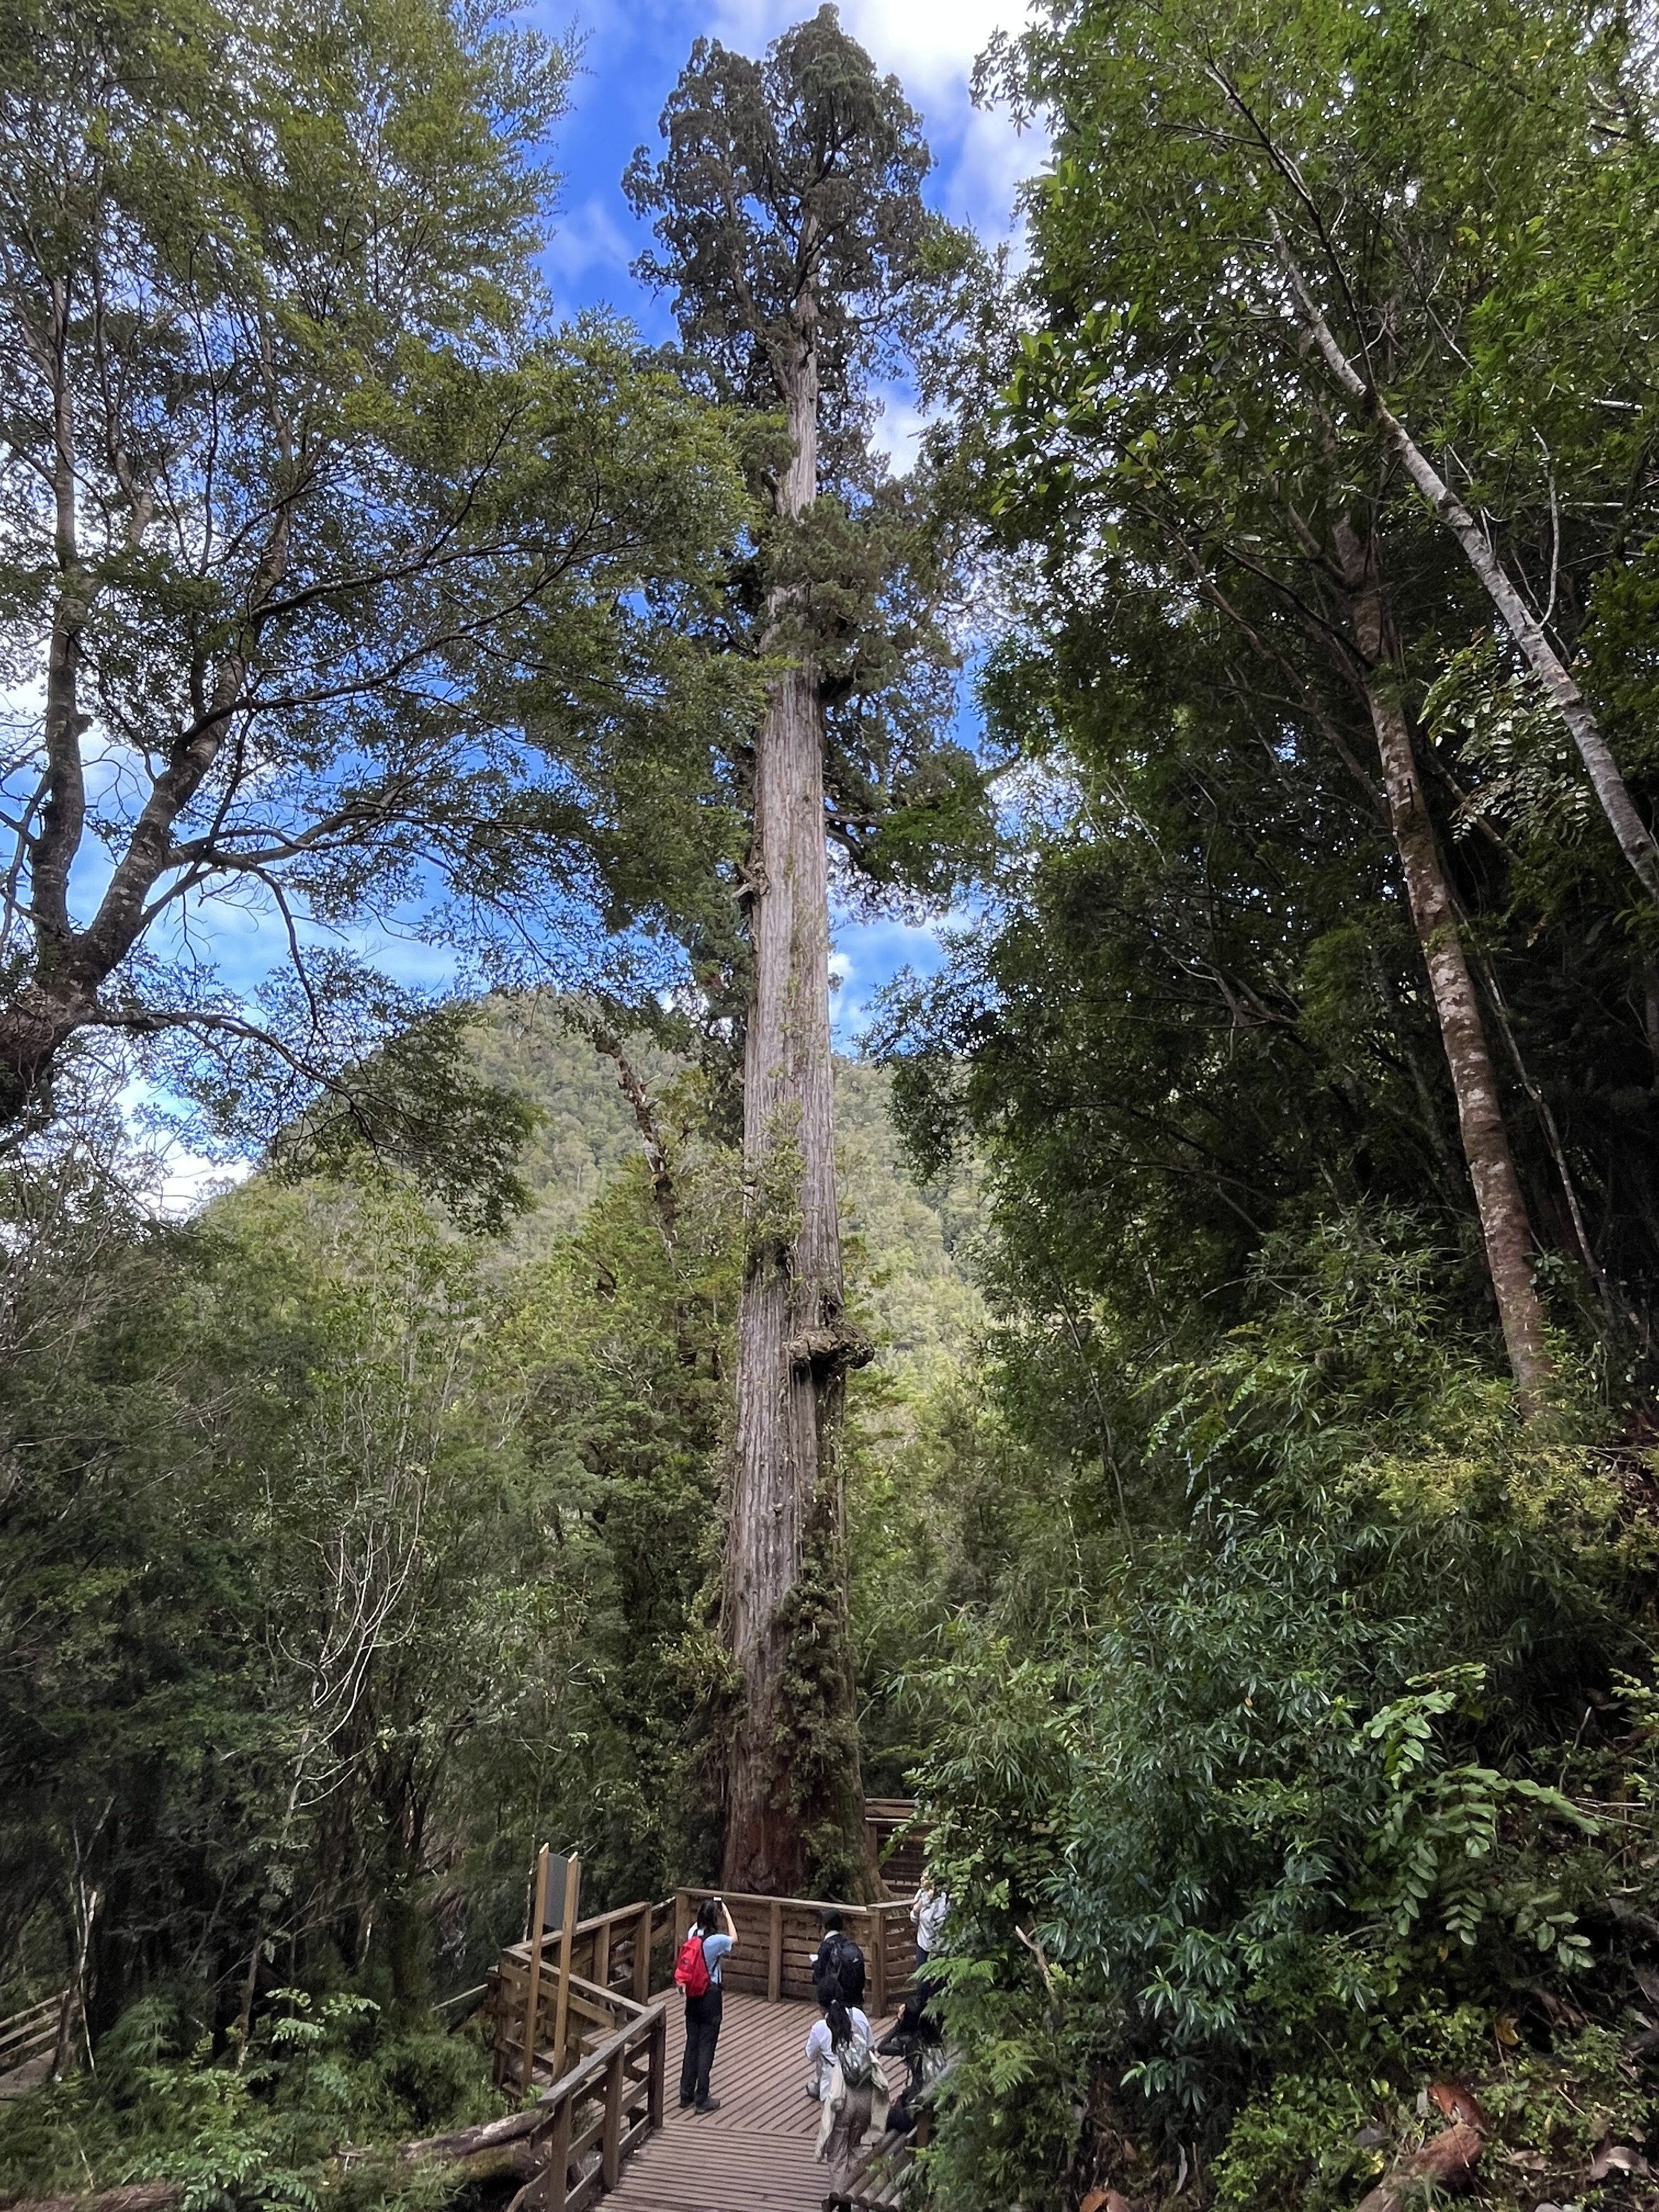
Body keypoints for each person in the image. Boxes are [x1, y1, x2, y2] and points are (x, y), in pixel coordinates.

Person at [814, 1996, 888, 2192]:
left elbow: (835, 2093)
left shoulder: (837, 2048)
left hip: (845, 2101)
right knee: (855, 2147)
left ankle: (842, 2197)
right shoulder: (860, 2044)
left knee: (837, 2153)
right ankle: (860, 2193)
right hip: (865, 2099)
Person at [675, 1895, 735, 2113]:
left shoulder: (693, 1935)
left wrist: (707, 1907)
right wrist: (726, 1912)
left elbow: (696, 1926)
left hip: (692, 1996)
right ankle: (702, 2099)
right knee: (706, 2046)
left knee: (692, 2043)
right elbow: (734, 1938)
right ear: (715, 1919)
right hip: (710, 1996)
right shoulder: (716, 1941)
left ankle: (685, 2094)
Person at [805, 1995, 873, 2101]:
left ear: (822, 2008)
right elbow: (871, 2048)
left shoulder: (820, 2028)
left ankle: (822, 2087)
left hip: (835, 2092)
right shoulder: (858, 2014)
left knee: (820, 2054)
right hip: (863, 2082)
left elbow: (811, 2055)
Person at [808, 1909, 866, 2009]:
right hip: (855, 1999)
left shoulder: (826, 1946)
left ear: (825, 1927)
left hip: (836, 2001)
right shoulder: (848, 1943)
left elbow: (820, 1976)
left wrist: (815, 1964)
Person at [910, 1878, 949, 1973]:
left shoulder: (944, 1897)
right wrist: (917, 1909)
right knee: (922, 1982)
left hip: (941, 1946)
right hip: (923, 1944)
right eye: (922, 1876)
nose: (922, 1879)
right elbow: (914, 1919)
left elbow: (941, 1921)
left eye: (926, 1878)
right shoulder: (921, 1894)